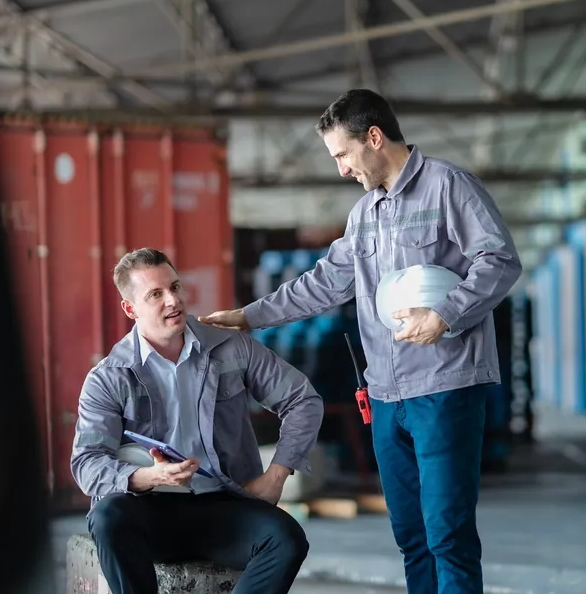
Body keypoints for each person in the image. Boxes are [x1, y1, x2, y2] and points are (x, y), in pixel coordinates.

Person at [201, 89, 522, 594]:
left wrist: (445, 313)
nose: (342, 169)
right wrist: (248, 317)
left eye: (343, 154)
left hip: (444, 386)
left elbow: (500, 260)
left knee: (447, 534)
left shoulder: (450, 187)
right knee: (411, 537)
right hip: (385, 395)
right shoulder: (364, 215)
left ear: (374, 138)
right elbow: (323, 283)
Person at [71, 247, 323, 594]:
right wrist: (147, 477)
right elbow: (86, 463)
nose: (172, 300)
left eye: (174, 287)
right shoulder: (109, 376)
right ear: (130, 309)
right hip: (149, 510)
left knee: (286, 539)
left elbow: (303, 399)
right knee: (108, 518)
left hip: (221, 506)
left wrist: (277, 474)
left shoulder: (231, 347)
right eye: (155, 294)